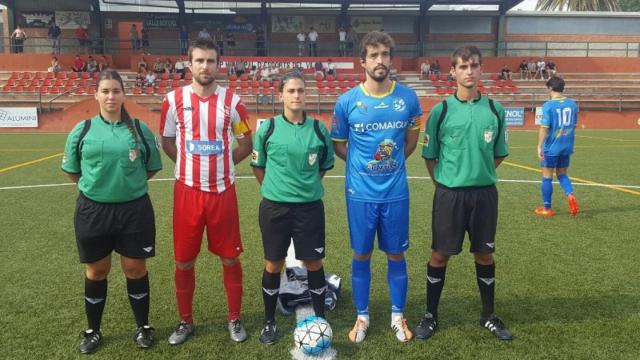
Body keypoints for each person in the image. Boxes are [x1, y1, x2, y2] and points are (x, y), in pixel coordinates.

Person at [61, 69, 162, 354]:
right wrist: (98, 189)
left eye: (115, 91)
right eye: (105, 91)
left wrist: (127, 187)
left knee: (135, 268)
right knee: (97, 270)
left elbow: (152, 166)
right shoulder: (83, 130)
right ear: (96, 95)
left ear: (123, 95)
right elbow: (73, 171)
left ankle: (143, 327)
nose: (110, 96)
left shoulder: (140, 129)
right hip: (93, 211)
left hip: (135, 210)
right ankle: (93, 331)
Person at [160, 37, 253, 345]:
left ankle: (234, 318)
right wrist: (188, 164)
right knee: (184, 260)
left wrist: (224, 163)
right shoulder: (172, 101)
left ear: (218, 64)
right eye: (199, 60)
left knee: (229, 258)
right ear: (190, 64)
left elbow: (245, 143)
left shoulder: (233, 103)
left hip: (223, 192)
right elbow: (168, 142)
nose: (205, 66)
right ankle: (185, 321)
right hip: (187, 193)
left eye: (210, 60)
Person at [331, 31, 422, 343]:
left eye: (385, 54)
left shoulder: (408, 99)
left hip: (396, 192)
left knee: (396, 255)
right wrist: (363, 167)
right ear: (363, 62)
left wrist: (390, 164)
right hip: (360, 194)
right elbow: (340, 146)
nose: (380, 60)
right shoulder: (347, 102)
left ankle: (398, 316)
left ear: (390, 59)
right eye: (373, 55)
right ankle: (363, 316)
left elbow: (410, 142)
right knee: (361, 254)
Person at [417, 45, 512, 342]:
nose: (469, 71)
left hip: (484, 194)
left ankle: (488, 315)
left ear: (481, 69)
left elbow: (498, 154)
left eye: (474, 65)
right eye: (462, 66)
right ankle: (431, 315)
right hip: (450, 196)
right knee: (440, 254)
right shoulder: (441, 111)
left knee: (485, 254)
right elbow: (430, 156)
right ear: (453, 72)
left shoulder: (495, 110)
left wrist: (477, 173)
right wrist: (445, 184)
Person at [250, 72, 335, 345]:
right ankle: (269, 321)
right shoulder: (268, 129)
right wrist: (277, 191)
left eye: (300, 90)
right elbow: (258, 166)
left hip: (309, 208)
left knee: (314, 262)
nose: (296, 95)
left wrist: (306, 189)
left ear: (305, 94)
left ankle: (321, 319)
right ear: (281, 96)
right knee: (273, 263)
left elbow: (323, 165)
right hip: (275, 208)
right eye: (291, 91)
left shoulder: (319, 129)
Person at [535, 76, 579, 217]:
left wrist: (539, 146)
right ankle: (570, 195)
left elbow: (544, 127)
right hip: (566, 146)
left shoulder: (549, 105)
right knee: (562, 174)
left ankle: (547, 208)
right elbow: (574, 124)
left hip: (552, 147)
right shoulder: (572, 104)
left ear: (550, 88)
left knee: (547, 176)